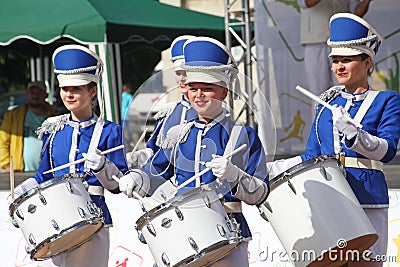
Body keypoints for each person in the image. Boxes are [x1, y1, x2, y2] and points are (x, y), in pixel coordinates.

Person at [119, 36, 270, 267]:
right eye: (193, 88)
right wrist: (137, 176)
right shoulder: (178, 134)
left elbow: (259, 193)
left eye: (207, 89)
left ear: (223, 93)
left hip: (230, 234)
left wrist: (235, 176)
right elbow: (157, 170)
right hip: (183, 232)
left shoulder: (243, 136)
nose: (198, 95)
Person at [269, 13, 400, 266]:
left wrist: (355, 135)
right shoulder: (326, 102)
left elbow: (388, 151)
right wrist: (274, 168)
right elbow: (311, 156)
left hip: (367, 199)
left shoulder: (387, 100)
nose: (339, 67)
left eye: (347, 60)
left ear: (367, 61)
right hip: (330, 200)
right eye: (335, 60)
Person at [9, 45, 129, 267]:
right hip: (55, 218)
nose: (69, 95)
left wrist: (104, 167)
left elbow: (118, 185)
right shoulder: (53, 131)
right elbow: (44, 174)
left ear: (92, 91)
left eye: (77, 89)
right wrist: (26, 187)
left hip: (94, 217)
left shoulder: (111, 131)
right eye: (65, 89)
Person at [126, 35, 197, 168]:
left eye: (186, 73)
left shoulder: (215, 114)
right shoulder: (169, 113)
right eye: (178, 73)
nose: (182, 79)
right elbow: (155, 150)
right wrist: (141, 156)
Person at [297, 0, 373, 96]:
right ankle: (321, 111)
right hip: (315, 42)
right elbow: (306, 3)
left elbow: (355, 13)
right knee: (319, 93)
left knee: (347, 88)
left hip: (342, 41)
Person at [0, 81, 54, 172]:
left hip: (47, 173)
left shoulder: (53, 116)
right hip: (19, 171)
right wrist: (6, 165)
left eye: (39, 93)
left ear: (46, 95)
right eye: (32, 92)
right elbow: (3, 140)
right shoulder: (13, 115)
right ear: (27, 94)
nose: (35, 96)